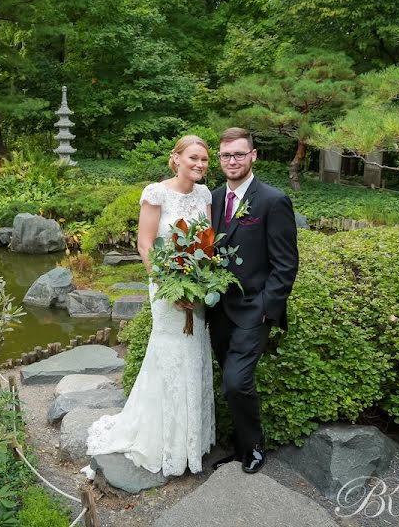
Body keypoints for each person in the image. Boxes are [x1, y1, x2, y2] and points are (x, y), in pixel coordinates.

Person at [84, 134, 216, 477]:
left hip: (198, 290)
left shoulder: (204, 195)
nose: (200, 165)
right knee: (170, 356)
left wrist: (203, 281)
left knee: (194, 355)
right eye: (193, 158)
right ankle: (164, 442)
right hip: (167, 290)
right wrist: (170, 288)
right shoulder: (156, 193)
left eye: (204, 160)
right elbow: (145, 246)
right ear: (176, 159)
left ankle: (190, 442)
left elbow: (208, 243)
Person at [207, 128, 298, 474]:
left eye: (239, 154)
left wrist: (265, 310)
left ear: (253, 156)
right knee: (231, 383)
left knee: (236, 381)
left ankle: (255, 446)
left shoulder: (273, 201)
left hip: (253, 311)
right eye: (226, 155)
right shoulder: (214, 198)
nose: (232, 161)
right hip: (217, 311)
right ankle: (240, 448)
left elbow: (286, 265)